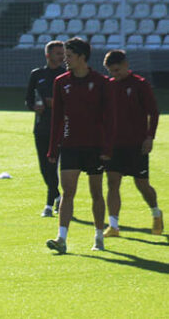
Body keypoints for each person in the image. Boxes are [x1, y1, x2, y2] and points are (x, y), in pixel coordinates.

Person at [45, 37, 113, 254]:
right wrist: (53, 148)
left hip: (94, 146)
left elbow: (109, 118)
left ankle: (99, 236)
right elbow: (57, 118)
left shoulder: (101, 82)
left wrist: (107, 148)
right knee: (68, 191)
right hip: (70, 145)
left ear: (82, 57)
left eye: (69, 55)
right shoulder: (61, 82)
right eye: (64, 55)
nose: (65, 59)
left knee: (96, 192)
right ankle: (61, 238)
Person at [102, 50, 163, 237]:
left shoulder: (140, 85)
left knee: (142, 185)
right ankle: (113, 226)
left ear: (126, 64)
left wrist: (149, 137)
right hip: (113, 145)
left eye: (117, 70)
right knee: (113, 183)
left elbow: (153, 112)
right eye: (111, 71)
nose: (115, 74)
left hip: (136, 144)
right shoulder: (108, 86)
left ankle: (156, 212)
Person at [25, 41, 65, 217]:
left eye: (62, 53)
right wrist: (35, 107)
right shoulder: (37, 74)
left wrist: (56, 105)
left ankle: (49, 205)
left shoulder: (66, 75)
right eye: (58, 53)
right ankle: (57, 196)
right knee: (44, 168)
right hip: (41, 127)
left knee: (52, 164)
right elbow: (28, 100)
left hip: (59, 128)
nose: (62, 56)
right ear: (48, 55)